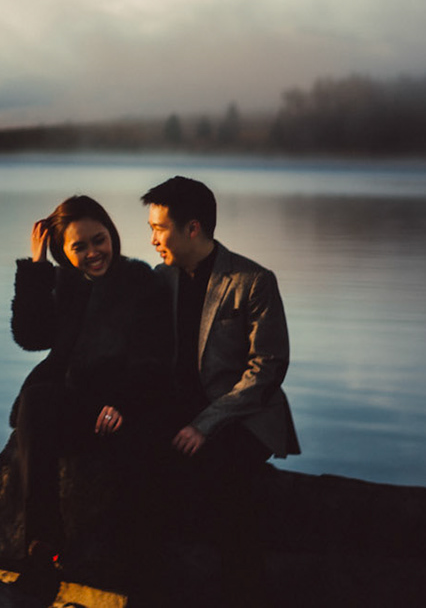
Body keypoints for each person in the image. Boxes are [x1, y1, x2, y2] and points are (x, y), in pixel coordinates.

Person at [0, 195, 174, 589]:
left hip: (123, 404)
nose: (94, 252)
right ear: (64, 252)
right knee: (37, 399)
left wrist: (124, 403)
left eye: (99, 239)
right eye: (79, 246)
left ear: (111, 234)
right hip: (72, 403)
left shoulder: (140, 280)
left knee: (141, 456)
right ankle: (42, 551)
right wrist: (37, 268)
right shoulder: (65, 283)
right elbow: (30, 337)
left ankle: (141, 574)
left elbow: (154, 355)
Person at [141, 175, 298, 607]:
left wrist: (204, 425)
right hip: (179, 412)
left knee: (228, 480)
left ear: (192, 228)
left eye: (160, 228)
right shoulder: (159, 279)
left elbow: (267, 370)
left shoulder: (252, 280)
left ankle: (244, 593)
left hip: (243, 415)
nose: (152, 238)